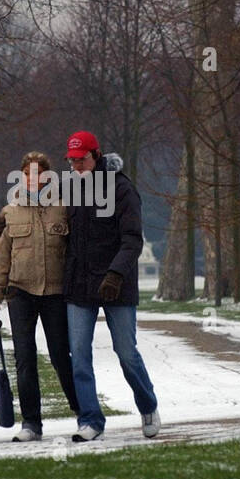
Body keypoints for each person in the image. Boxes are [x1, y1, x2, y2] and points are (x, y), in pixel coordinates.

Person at [61, 130, 160, 442]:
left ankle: (147, 406)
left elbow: (132, 239)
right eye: (71, 161)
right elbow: (57, 229)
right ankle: (90, 420)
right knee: (78, 355)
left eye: (81, 160)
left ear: (96, 155)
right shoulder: (71, 190)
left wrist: (115, 275)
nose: (76, 166)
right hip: (79, 285)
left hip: (116, 285)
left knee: (126, 352)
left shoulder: (121, 189)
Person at [0, 151, 79, 441]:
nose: (33, 179)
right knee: (24, 359)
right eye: (28, 174)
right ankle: (31, 423)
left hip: (54, 294)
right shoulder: (9, 214)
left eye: (39, 174)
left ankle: (84, 413)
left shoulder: (62, 210)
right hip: (20, 294)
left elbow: (77, 253)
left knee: (61, 357)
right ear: (22, 177)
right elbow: (1, 263)